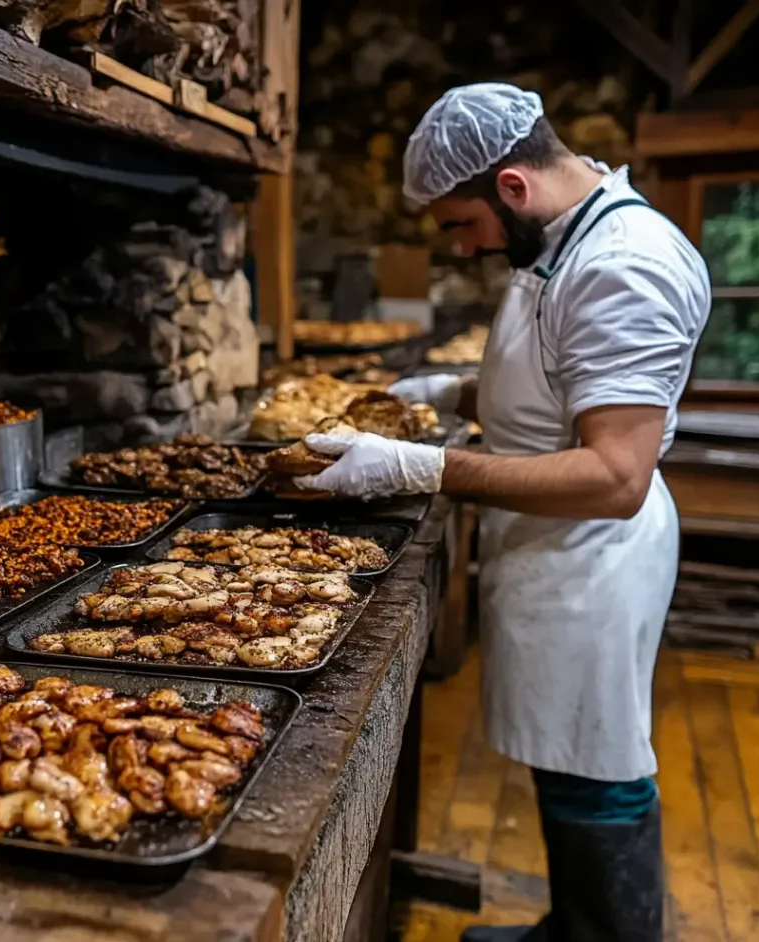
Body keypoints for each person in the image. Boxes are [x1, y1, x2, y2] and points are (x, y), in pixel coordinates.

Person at [296, 83, 710, 941]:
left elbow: (615, 473)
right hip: (552, 548)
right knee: (567, 758)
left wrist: (422, 466)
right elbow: (564, 385)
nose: (462, 246)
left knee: (598, 760)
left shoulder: (623, 265)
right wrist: (453, 389)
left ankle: (613, 935)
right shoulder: (558, 240)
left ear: (512, 188)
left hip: (594, 553)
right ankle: (573, 926)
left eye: (460, 224)